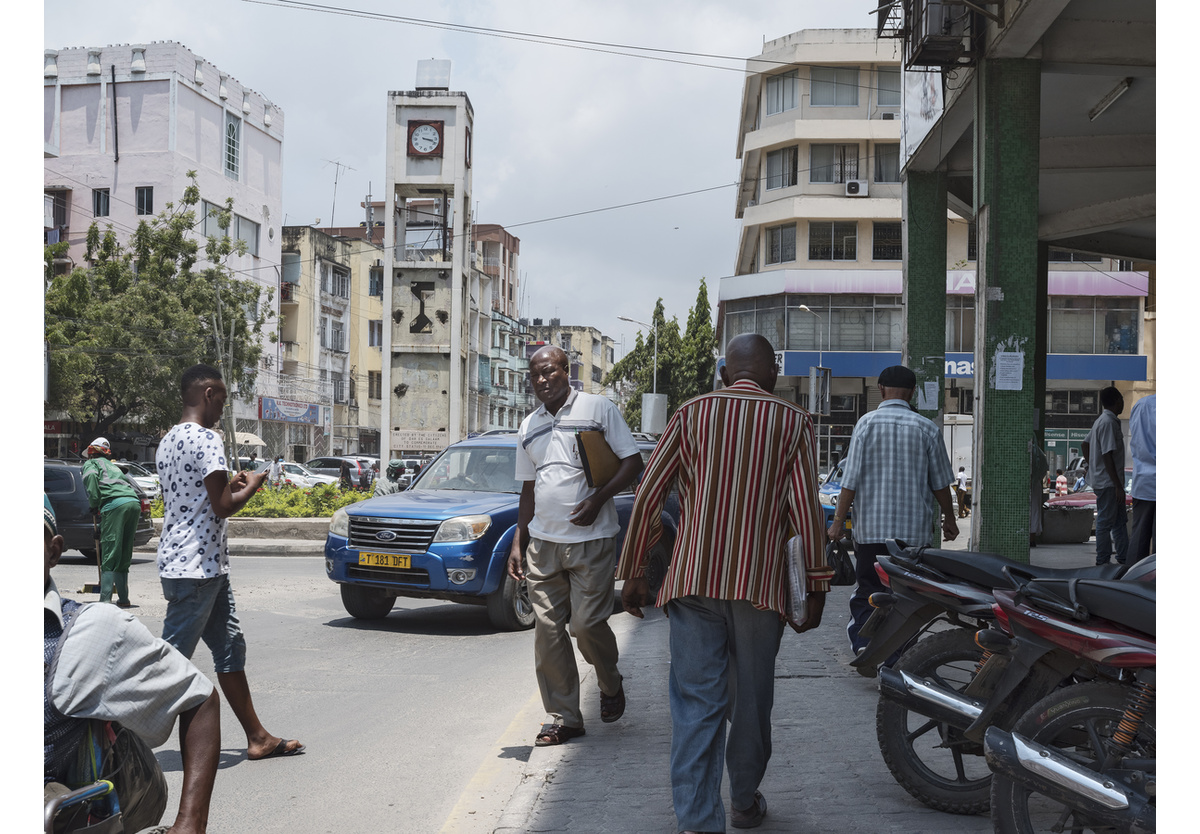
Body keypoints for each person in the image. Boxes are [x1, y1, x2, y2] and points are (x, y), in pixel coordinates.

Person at [619, 334, 830, 833]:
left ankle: (697, 821)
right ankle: (742, 801)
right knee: (753, 700)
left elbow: (649, 491)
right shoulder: (792, 421)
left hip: (692, 581)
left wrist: (632, 570)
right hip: (760, 587)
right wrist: (817, 586)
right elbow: (805, 511)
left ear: (722, 374)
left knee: (697, 702)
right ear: (773, 375)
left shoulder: (691, 414)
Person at [45, 495, 221, 834]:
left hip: (188, 566)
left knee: (115, 564)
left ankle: (116, 593)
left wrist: (192, 822)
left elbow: (197, 694)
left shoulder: (88, 631)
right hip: (185, 562)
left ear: (54, 552)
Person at [157, 363, 305, 761]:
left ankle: (257, 737)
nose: (223, 406)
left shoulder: (169, 439)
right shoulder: (206, 439)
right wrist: (252, 486)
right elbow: (222, 507)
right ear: (207, 394)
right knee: (166, 661)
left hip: (196, 564)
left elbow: (198, 496)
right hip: (197, 567)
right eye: (221, 398)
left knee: (229, 648)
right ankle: (112, 741)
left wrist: (230, 485)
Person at [507, 345, 643, 748]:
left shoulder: (598, 409)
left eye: (549, 371)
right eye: (535, 375)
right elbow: (528, 490)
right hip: (543, 545)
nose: (542, 380)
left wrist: (598, 500)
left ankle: (610, 681)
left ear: (567, 371)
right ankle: (564, 717)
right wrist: (519, 541)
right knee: (547, 633)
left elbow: (631, 463)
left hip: (592, 539)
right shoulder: (528, 425)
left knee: (585, 626)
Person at [830, 365, 958, 654]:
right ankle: (899, 654)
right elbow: (940, 483)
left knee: (868, 591)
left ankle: (865, 646)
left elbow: (849, 482)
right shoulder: (928, 428)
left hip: (871, 533)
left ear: (880, 389)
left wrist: (838, 523)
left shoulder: (865, 424)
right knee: (906, 597)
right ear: (912, 392)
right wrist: (949, 519)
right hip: (912, 538)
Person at [81, 436, 142, 607]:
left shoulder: (91, 464)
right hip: (133, 503)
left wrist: (94, 504)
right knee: (124, 550)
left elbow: (92, 483)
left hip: (114, 505)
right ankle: (123, 599)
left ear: (91, 452)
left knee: (110, 549)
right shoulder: (112, 466)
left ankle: (105, 599)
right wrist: (101, 526)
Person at [1080, 387, 1128, 566]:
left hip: (1107, 481)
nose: (1123, 403)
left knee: (1120, 521)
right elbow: (1107, 455)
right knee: (1106, 522)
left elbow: (1085, 444)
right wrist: (1117, 485)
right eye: (1122, 399)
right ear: (1116, 401)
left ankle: (1124, 558)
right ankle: (1103, 561)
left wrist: (1093, 465)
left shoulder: (1101, 420)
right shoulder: (1107, 422)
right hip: (1109, 484)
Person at [1128, 393, 1156, 562]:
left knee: (1138, 540)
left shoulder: (1141, 405)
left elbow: (1136, 441)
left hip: (1144, 482)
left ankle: (1132, 584)